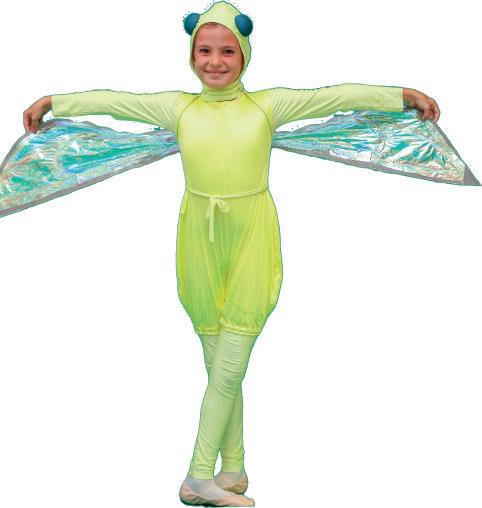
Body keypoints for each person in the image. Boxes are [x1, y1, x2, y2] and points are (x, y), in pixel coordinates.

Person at [22, 2, 440, 506]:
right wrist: (55, 101)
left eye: (227, 51)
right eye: (204, 50)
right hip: (198, 241)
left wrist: (400, 96)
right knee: (220, 363)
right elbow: (116, 102)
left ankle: (198, 477)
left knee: (230, 362)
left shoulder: (268, 106)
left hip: (251, 238)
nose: (215, 61)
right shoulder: (178, 108)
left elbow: (335, 96)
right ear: (191, 54)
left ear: (244, 55)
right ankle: (234, 469)